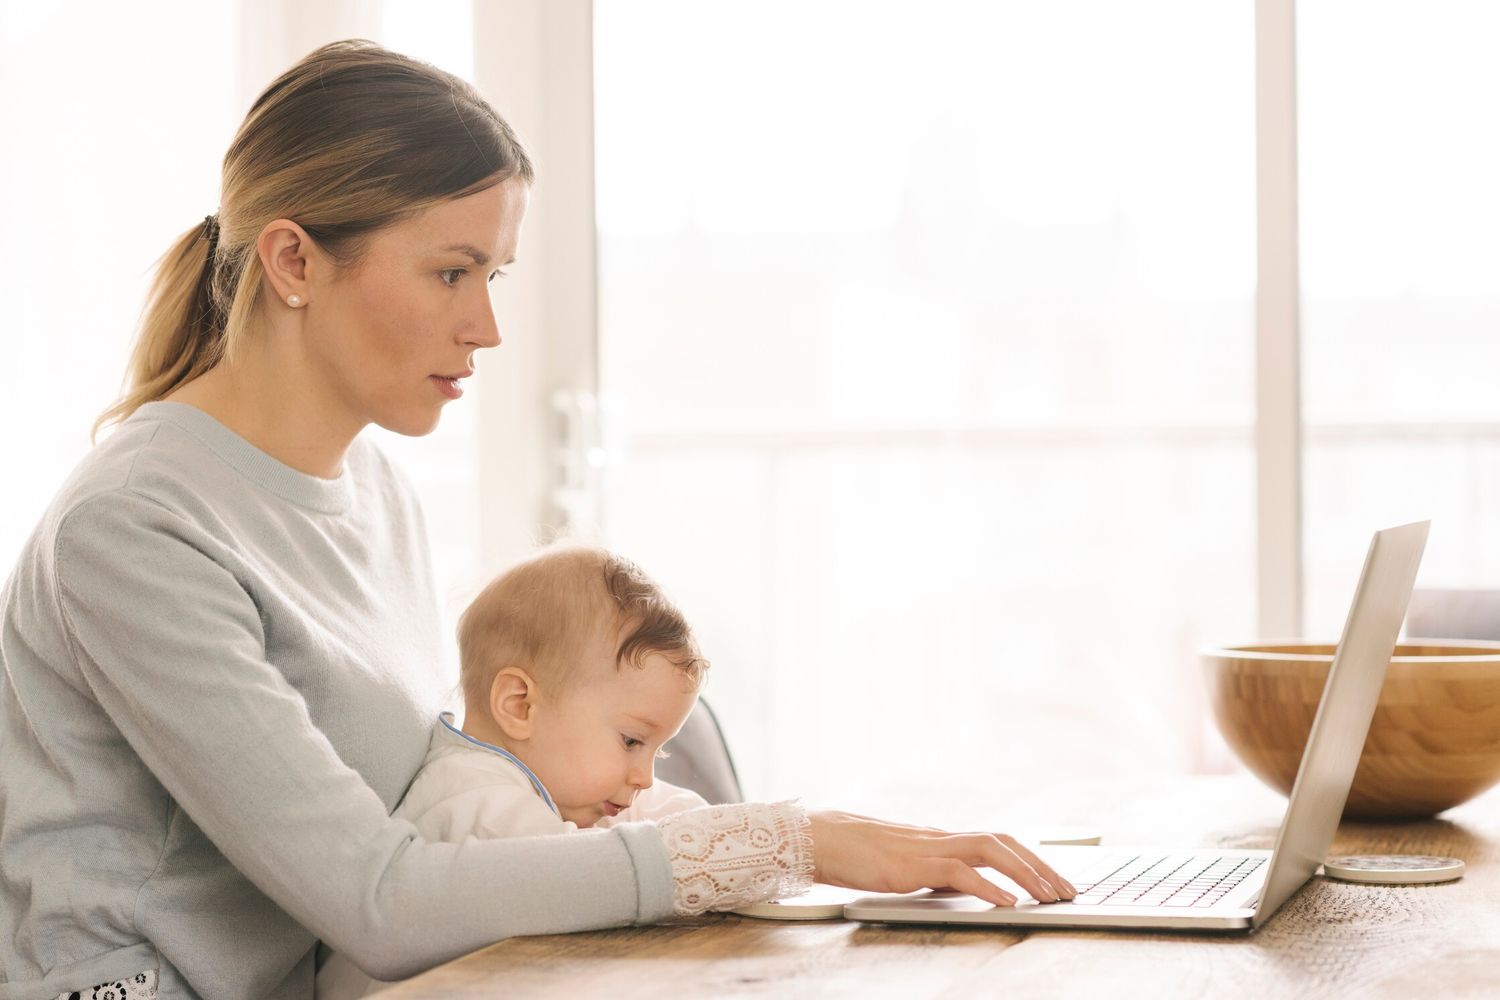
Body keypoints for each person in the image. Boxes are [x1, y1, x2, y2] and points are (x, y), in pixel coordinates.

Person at [0, 39, 1074, 1000]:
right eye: (452, 272)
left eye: (495, 272)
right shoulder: (134, 531)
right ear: (292, 262)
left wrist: (718, 833)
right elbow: (381, 894)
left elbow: (420, 813)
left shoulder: (372, 491)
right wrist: (780, 843)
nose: (487, 327)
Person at [318, 543, 731, 999]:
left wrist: (726, 837)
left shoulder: (548, 787)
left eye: (658, 751)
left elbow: (665, 813)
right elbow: (587, 886)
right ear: (520, 705)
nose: (644, 776)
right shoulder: (478, 802)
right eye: (632, 741)